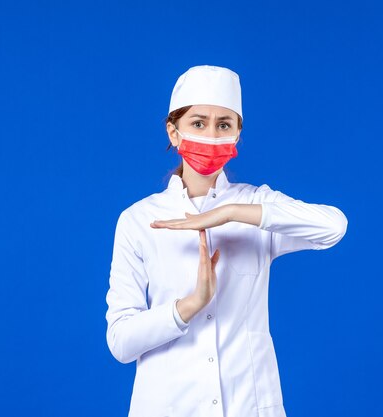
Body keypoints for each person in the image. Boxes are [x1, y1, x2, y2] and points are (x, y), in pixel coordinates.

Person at [105, 65, 348, 417]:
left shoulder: (255, 205)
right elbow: (121, 341)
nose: (211, 135)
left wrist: (233, 211)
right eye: (198, 123)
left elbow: (333, 226)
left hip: (249, 406)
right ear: (173, 132)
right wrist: (189, 305)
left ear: (237, 135)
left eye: (224, 125)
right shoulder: (139, 220)